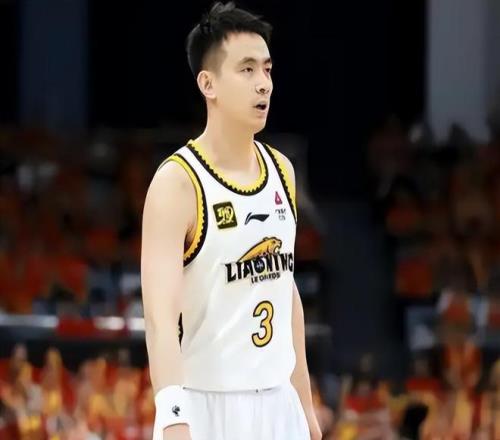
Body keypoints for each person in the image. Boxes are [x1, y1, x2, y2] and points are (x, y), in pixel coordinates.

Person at [140, 2, 321, 439]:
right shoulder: (177, 183)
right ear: (208, 84)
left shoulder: (283, 171)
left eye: (267, 69)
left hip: (279, 404)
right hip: (206, 405)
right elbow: (160, 319)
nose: (264, 84)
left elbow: (284, 290)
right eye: (247, 69)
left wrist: (305, 404)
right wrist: (173, 417)